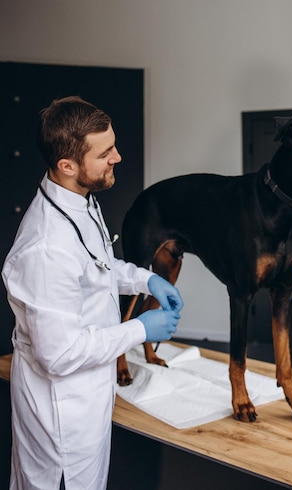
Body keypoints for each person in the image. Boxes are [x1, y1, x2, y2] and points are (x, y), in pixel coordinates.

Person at [2, 96, 184, 490]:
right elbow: (59, 354)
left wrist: (145, 279)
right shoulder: (44, 249)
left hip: (90, 396)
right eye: (105, 153)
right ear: (67, 166)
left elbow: (95, 267)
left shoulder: (80, 200)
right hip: (61, 418)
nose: (117, 157)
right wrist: (140, 329)